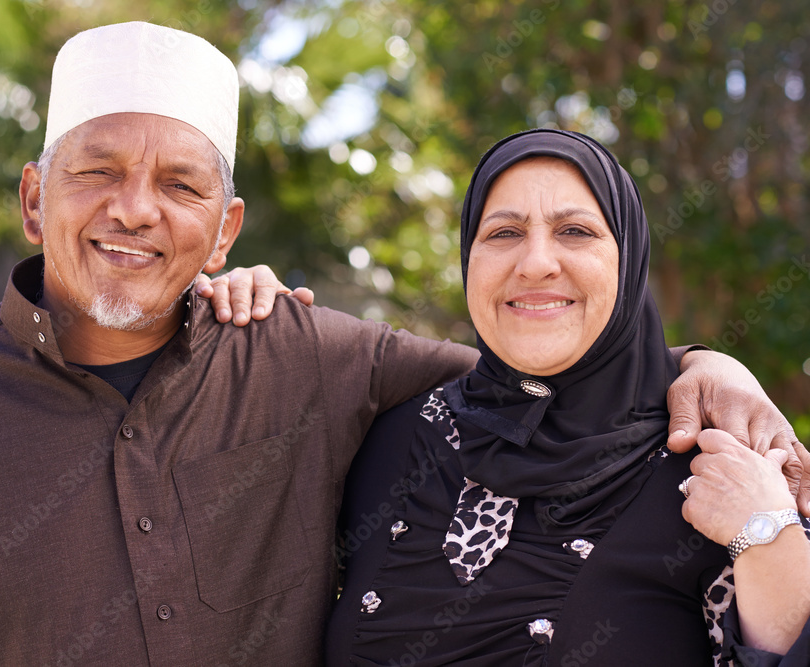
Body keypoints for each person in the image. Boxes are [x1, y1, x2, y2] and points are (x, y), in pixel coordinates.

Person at [0, 22, 802, 666]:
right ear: (34, 198)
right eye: (96, 171)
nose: (135, 210)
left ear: (228, 227)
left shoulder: (316, 359)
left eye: (182, 186)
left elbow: (544, 365)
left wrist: (703, 366)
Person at [325, 129, 810, 666]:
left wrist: (768, 533)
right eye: (503, 232)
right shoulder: (387, 437)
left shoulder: (725, 471)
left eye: (575, 231)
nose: (535, 263)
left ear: (628, 262)